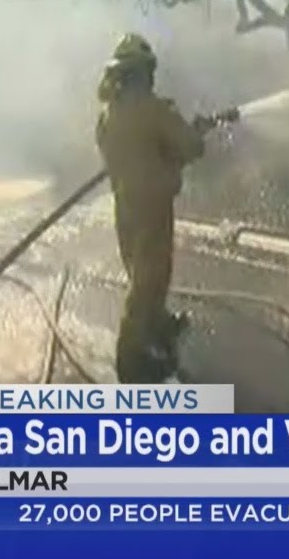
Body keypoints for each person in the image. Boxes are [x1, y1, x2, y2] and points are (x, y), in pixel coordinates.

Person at [95, 33, 210, 382]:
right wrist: (195, 131)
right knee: (152, 277)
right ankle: (132, 357)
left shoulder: (108, 115)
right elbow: (190, 147)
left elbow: (134, 151)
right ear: (143, 72)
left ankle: (156, 326)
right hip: (153, 206)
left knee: (139, 271)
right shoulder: (155, 109)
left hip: (125, 205)